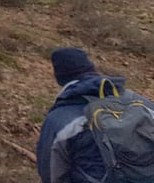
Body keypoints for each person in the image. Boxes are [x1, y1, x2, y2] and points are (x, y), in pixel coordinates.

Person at [36, 46, 154, 183]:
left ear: (60, 78)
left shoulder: (59, 118)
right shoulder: (139, 102)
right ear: (91, 68)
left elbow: (51, 174)